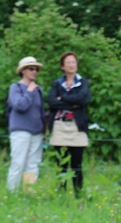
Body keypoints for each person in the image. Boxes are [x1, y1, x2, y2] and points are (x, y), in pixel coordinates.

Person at [47, 51, 91, 197]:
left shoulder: (84, 82)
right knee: (61, 163)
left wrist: (64, 98)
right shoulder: (56, 83)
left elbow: (83, 100)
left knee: (77, 163)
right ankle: (61, 193)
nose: (72, 65)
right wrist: (72, 103)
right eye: (68, 63)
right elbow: (52, 102)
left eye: (74, 62)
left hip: (77, 126)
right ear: (62, 67)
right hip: (60, 125)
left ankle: (79, 194)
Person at [6, 56, 45, 192]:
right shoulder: (15, 87)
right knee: (18, 163)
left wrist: (44, 129)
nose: (34, 72)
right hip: (20, 130)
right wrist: (29, 91)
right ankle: (12, 193)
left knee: (33, 164)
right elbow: (19, 106)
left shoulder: (39, 90)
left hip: (37, 131)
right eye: (31, 69)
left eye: (36, 69)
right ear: (23, 71)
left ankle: (29, 193)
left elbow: (41, 111)